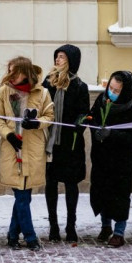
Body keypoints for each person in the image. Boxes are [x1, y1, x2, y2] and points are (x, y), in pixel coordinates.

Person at [0, 56, 54, 251]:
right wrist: (8, 135)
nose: (10, 76)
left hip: (33, 149)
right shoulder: (4, 92)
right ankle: (30, 237)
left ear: (24, 72)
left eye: (14, 72)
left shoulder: (42, 93)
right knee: (21, 196)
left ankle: (12, 236)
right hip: (13, 151)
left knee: (24, 197)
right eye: (9, 71)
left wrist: (37, 123)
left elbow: (50, 116)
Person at [42, 44, 90, 243]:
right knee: (51, 184)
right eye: (56, 57)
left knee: (71, 185)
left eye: (61, 57)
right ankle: (53, 226)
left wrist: (78, 125)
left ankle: (71, 226)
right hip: (52, 144)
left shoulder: (79, 86)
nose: (57, 60)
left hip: (70, 144)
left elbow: (84, 113)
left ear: (70, 61)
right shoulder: (48, 83)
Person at [89, 70, 132, 248]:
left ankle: (119, 232)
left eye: (116, 90)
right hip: (102, 158)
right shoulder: (101, 101)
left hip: (120, 163)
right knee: (102, 192)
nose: (112, 92)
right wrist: (93, 128)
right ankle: (105, 226)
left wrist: (111, 134)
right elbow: (92, 117)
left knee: (119, 197)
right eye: (110, 88)